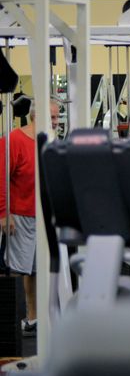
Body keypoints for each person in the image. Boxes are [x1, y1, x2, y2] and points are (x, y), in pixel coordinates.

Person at [0, 99, 60, 336]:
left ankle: (32, 318)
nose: (56, 122)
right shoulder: (13, 141)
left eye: (57, 117)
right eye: (52, 117)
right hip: (19, 215)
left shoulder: (51, 143)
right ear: (37, 116)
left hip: (43, 216)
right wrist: (4, 214)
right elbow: (1, 179)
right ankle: (12, 324)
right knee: (17, 270)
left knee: (35, 270)